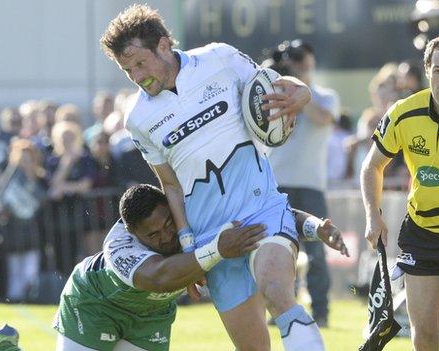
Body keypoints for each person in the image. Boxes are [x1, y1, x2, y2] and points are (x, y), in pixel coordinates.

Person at [101, 5, 333, 350]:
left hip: (262, 210)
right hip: (214, 239)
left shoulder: (219, 59)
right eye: (127, 70)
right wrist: (192, 251)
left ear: (164, 46)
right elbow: (172, 186)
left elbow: (274, 84)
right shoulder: (137, 118)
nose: (136, 76)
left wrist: (302, 91)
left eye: (140, 63)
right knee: (253, 346)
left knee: (276, 290)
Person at [54, 184, 347, 351]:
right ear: (134, 234)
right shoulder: (119, 246)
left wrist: (315, 227)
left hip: (151, 316)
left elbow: (263, 218)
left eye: (169, 224)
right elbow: (160, 277)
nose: (167, 236)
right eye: (153, 236)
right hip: (95, 305)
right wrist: (216, 250)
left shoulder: (189, 213)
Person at [361, 33, 439, 351]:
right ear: (427, 69)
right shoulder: (403, 113)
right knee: (425, 337)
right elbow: (371, 167)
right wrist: (373, 217)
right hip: (423, 234)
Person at [266, 39, 341, 327]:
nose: (298, 66)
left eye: (303, 61)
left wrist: (301, 92)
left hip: (311, 184)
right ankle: (282, 309)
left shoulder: (324, 96)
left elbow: (323, 119)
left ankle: (320, 311)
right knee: (279, 250)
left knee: (317, 251)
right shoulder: (275, 92)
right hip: (278, 182)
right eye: (294, 62)